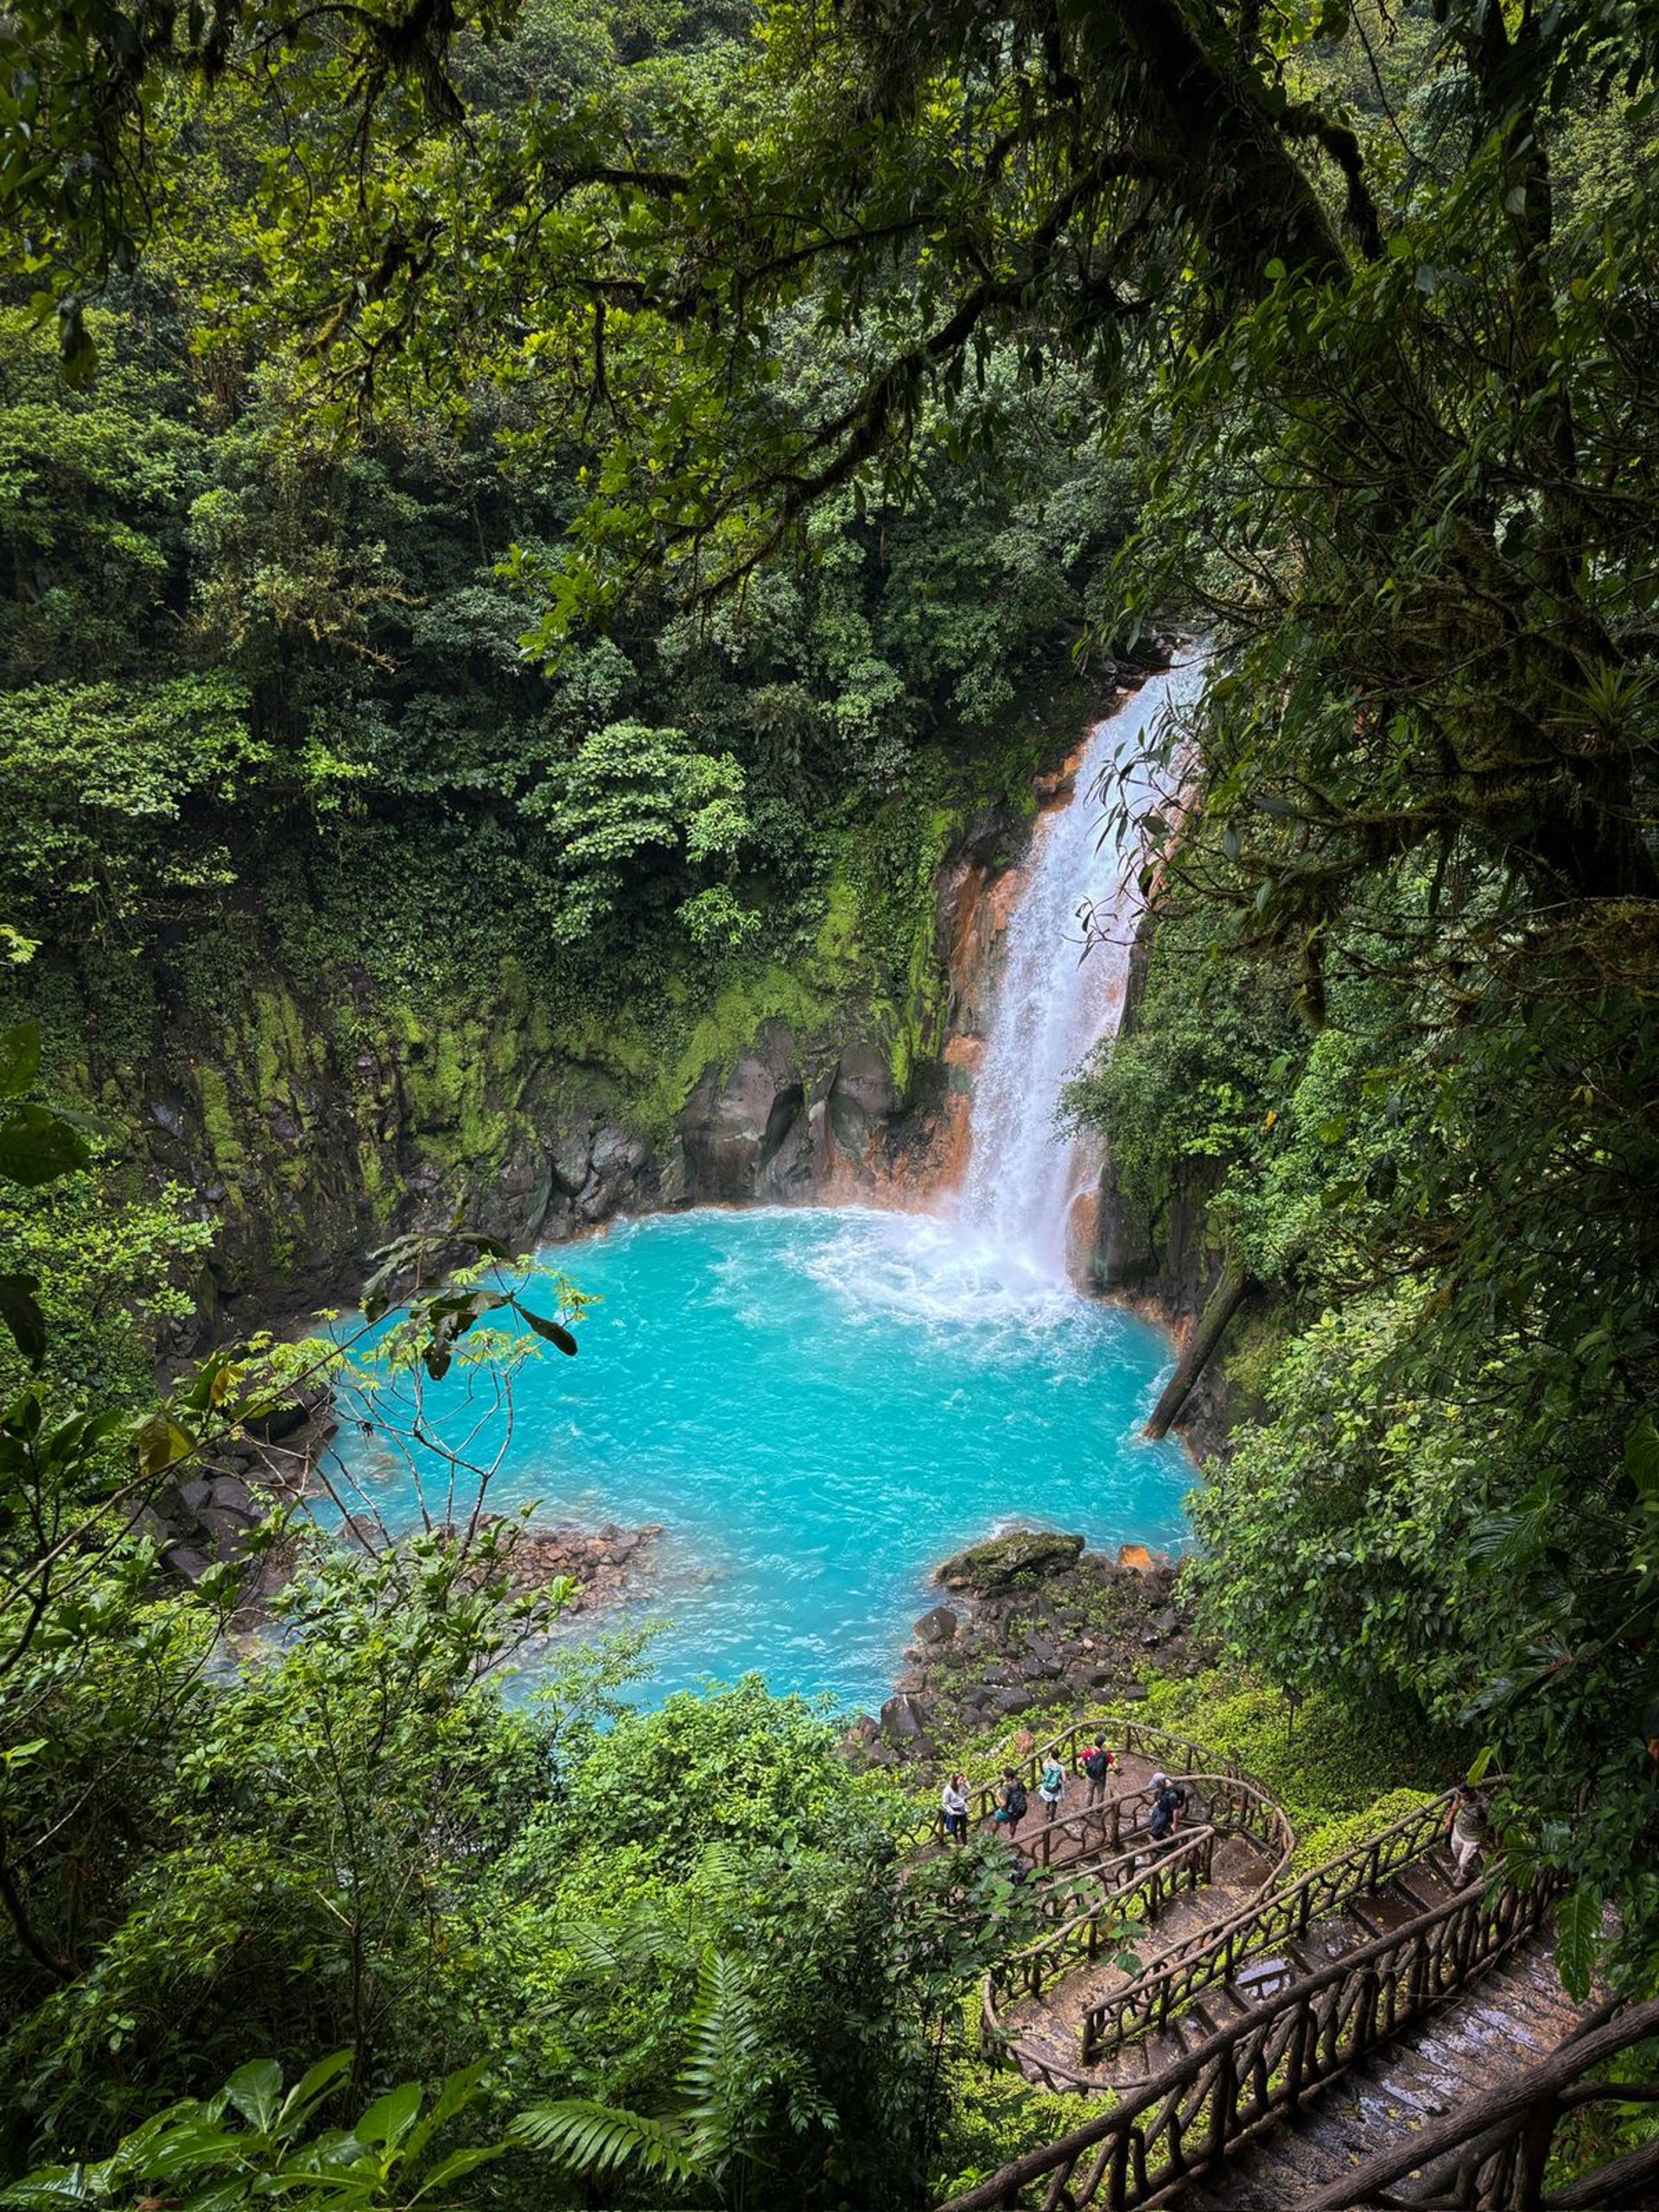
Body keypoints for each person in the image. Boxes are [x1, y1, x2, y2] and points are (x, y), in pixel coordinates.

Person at [1448, 1784, 1489, 1882]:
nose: (1463, 1798)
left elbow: (1493, 1821)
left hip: (1473, 1836)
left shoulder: (1484, 1805)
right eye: (1462, 1796)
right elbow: (1456, 1802)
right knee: (1456, 1851)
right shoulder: (1460, 1795)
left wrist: (1490, 1837)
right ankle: (1460, 1867)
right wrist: (1450, 1819)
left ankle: (1464, 1875)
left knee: (1465, 1860)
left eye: (1465, 1796)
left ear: (1472, 1792)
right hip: (1460, 1829)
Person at [1147, 1771, 1187, 1848]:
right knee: (1152, 1824)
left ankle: (1169, 1845)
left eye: (1157, 1785)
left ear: (1161, 1783)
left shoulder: (1172, 1795)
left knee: (1154, 1832)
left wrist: (1175, 1824)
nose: (1156, 1787)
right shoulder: (1166, 1781)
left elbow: (1176, 1810)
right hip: (1160, 1807)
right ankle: (1162, 1832)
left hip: (1165, 1813)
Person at [992, 1767, 1028, 1839]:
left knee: (996, 1819)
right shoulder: (1019, 1782)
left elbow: (1003, 1804)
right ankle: (1011, 1837)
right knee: (1013, 1824)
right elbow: (1026, 1792)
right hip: (1019, 1810)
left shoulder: (1006, 1788)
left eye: (1003, 1775)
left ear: (1007, 1778)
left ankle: (992, 1835)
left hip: (1008, 1811)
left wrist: (997, 1795)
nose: (1002, 1776)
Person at [1080, 1739, 1117, 1807]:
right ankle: (1099, 1811)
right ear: (1102, 1744)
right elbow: (1115, 1766)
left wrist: (1085, 1768)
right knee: (1100, 1794)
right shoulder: (1106, 1755)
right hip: (1101, 1777)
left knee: (1089, 1793)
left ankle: (1088, 1810)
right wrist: (1110, 1770)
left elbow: (1078, 1763)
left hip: (1090, 1776)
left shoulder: (1088, 1752)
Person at [941, 1771, 969, 1846]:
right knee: (953, 1828)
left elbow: (967, 1792)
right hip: (953, 1810)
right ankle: (956, 1838)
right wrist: (952, 1812)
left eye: (963, 1780)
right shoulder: (948, 1790)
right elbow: (945, 1803)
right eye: (961, 1780)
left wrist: (966, 1783)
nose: (962, 1782)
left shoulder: (961, 1785)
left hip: (962, 1809)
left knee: (963, 1827)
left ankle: (965, 1843)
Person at [1039, 1754, 1066, 1823]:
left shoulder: (1047, 1765)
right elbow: (1064, 1780)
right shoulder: (1061, 1767)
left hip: (1046, 1786)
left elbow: (1043, 1764)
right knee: (1054, 1802)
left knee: (1048, 1799)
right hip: (1055, 1787)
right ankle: (1051, 1816)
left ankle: (1048, 1810)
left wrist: (1049, 1757)